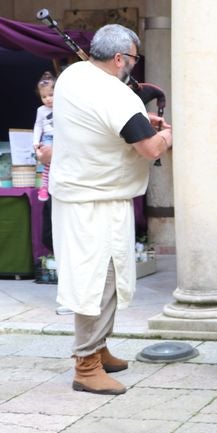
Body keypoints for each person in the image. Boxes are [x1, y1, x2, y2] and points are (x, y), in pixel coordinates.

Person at [47, 24, 173, 395]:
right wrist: (166, 135)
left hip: (83, 197)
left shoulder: (72, 75)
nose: (133, 66)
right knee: (96, 283)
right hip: (94, 203)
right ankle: (86, 365)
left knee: (108, 279)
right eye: (133, 59)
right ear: (119, 59)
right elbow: (150, 149)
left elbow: (98, 119)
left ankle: (99, 350)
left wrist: (141, 123)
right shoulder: (116, 96)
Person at [32, 72, 56, 202]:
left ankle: (50, 186)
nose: (48, 99)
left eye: (51, 95)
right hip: (48, 138)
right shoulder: (41, 110)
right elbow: (38, 126)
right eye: (44, 96)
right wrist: (35, 142)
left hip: (61, 139)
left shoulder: (63, 106)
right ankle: (44, 187)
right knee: (48, 163)